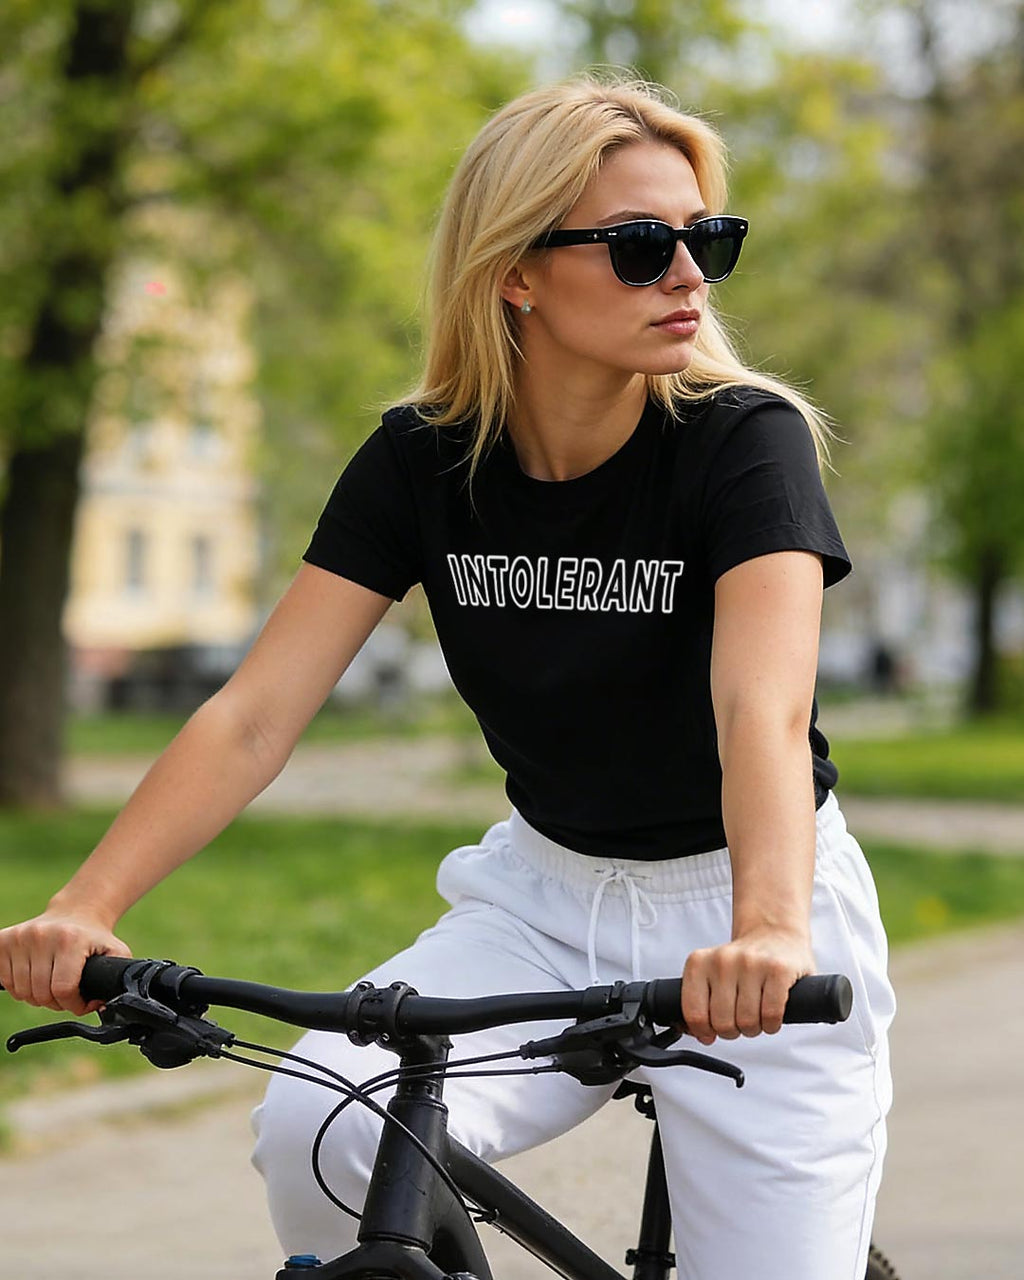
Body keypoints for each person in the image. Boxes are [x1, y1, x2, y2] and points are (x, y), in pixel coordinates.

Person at [0, 74, 895, 1280]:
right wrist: (86, 905)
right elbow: (257, 714)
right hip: (540, 898)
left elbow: (762, 714)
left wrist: (770, 931)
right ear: (514, 270)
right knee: (322, 1126)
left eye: (705, 238)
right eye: (642, 245)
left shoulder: (743, 441)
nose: (688, 274)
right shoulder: (421, 459)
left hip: (748, 906)